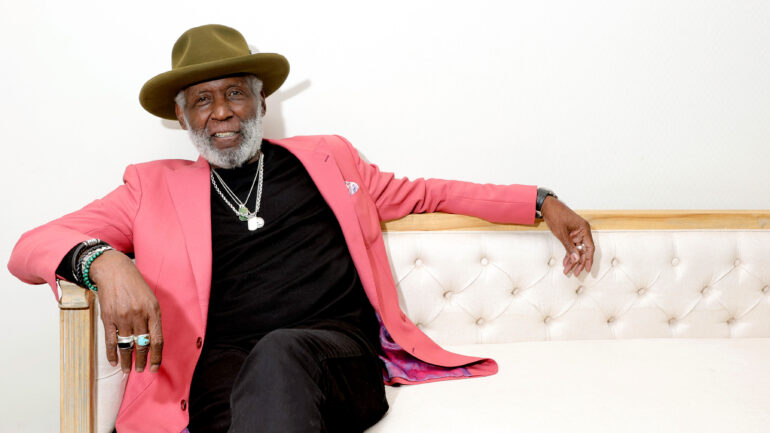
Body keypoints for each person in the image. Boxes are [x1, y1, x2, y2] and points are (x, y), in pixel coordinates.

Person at [8, 24, 594, 433]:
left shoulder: (327, 159)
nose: (222, 112)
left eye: (236, 92)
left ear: (260, 100)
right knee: (253, 390)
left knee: (281, 352)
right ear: (182, 118)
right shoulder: (150, 185)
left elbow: (428, 194)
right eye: (203, 100)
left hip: (336, 358)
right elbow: (28, 247)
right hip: (220, 374)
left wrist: (541, 202)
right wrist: (104, 262)